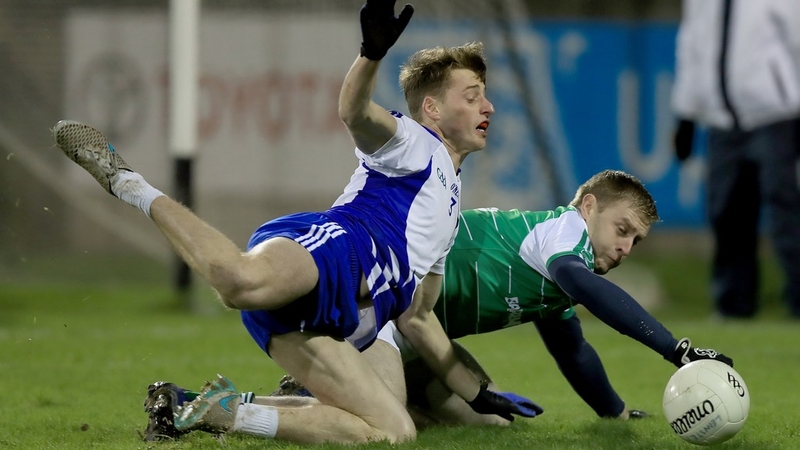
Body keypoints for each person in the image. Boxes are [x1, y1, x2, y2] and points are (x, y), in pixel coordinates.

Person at [55, 0, 541, 445]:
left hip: (352, 320)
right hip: (337, 255)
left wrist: (477, 394)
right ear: (432, 108)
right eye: (473, 96)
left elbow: (417, 317)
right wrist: (371, 53)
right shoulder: (417, 143)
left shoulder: (451, 207)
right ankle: (130, 185)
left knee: (392, 432)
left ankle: (206, 411)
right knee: (238, 284)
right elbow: (354, 111)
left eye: (485, 96)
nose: (488, 107)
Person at [140, 170, 734, 437]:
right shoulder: (561, 236)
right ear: (588, 205)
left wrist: (614, 413)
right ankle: (224, 407)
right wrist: (676, 350)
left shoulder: (566, 268)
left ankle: (335, 391)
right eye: (622, 229)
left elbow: (572, 346)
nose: (626, 247)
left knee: (491, 423)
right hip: (387, 312)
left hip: (425, 336)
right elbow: (588, 292)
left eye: (636, 241)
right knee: (382, 425)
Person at [672, 0, 800, 319]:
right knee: (726, 213)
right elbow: (692, 45)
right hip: (722, 121)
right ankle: (733, 307)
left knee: (787, 211)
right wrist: (686, 114)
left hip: (777, 114)